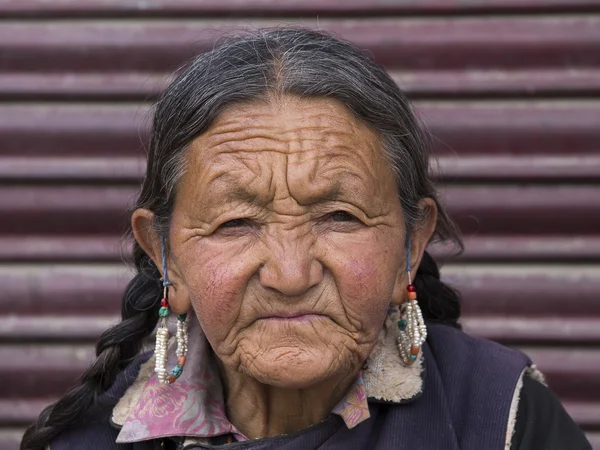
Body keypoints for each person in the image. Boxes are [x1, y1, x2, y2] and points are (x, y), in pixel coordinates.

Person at [21, 28, 590, 450]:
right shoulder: (91, 438)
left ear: (410, 249)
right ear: (165, 255)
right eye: (235, 223)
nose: (290, 276)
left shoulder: (501, 417)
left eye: (339, 217)